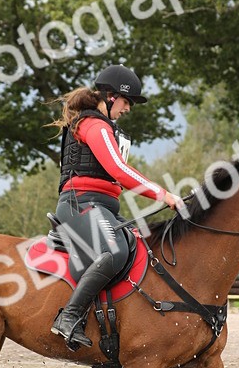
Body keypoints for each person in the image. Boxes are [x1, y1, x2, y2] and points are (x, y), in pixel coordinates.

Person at [50, 65, 180, 349]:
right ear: (110, 97)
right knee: (115, 250)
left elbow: (120, 170)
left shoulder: (104, 127)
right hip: (80, 206)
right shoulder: (93, 125)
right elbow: (119, 171)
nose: (128, 109)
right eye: (126, 101)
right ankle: (69, 317)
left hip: (102, 209)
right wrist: (163, 195)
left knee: (142, 247)